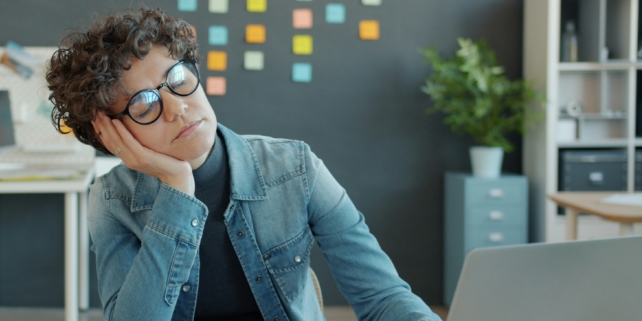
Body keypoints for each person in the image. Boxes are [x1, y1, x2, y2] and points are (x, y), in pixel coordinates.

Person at [46, 7, 441, 321]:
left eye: (178, 77)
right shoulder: (113, 199)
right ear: (112, 135)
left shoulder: (296, 168)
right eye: (144, 104)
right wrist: (176, 188)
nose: (178, 107)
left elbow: (382, 297)